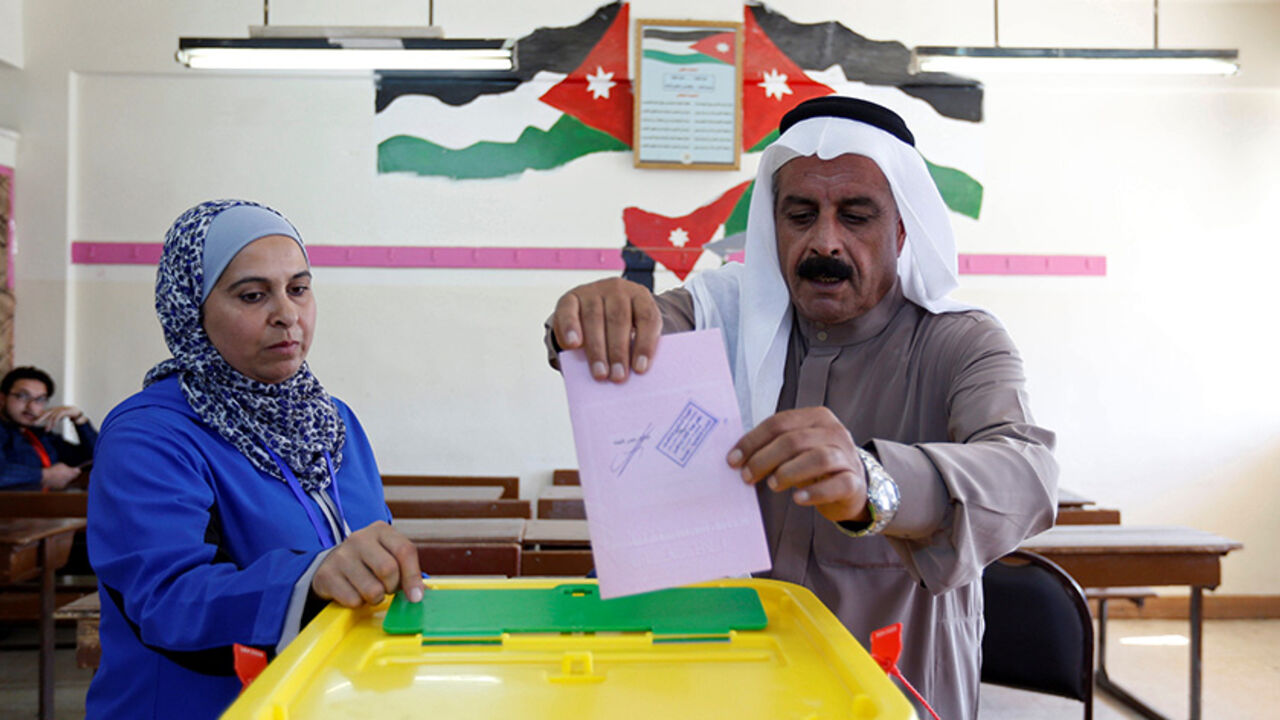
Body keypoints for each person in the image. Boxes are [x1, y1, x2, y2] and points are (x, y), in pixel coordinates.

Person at [547, 96, 1058, 719]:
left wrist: (876, 482)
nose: (825, 242)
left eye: (856, 216)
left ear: (901, 230)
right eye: (800, 214)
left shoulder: (960, 342)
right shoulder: (723, 313)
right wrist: (596, 315)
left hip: (891, 693)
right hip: (729, 685)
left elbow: (1028, 474)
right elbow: (636, 331)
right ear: (774, 225)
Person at [86, 200, 424, 719]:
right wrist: (310, 577)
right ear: (191, 309)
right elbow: (165, 601)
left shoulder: (332, 423)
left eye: (298, 288)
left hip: (316, 700)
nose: (286, 314)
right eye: (252, 295)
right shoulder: (150, 435)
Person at [0, 365, 97, 490]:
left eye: (40, 399)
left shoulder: (42, 436)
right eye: (23, 396)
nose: (31, 406)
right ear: (2, 398)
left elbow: (99, 457)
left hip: (48, 507)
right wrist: (45, 475)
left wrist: (79, 420)